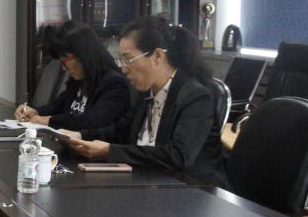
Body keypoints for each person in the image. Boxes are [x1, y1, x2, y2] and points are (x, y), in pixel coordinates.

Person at [62, 16, 227, 186]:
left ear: (157, 56)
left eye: (128, 59)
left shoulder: (195, 97)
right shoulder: (146, 92)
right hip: (149, 182)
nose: (123, 68)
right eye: (121, 60)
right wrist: (80, 136)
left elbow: (178, 155)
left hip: (192, 190)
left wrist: (110, 151)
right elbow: (121, 131)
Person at [15, 20, 132, 131]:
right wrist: (35, 112)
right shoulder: (78, 79)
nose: (63, 68)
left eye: (64, 61)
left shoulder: (114, 84)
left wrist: (48, 120)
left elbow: (91, 122)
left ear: (82, 54)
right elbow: (57, 107)